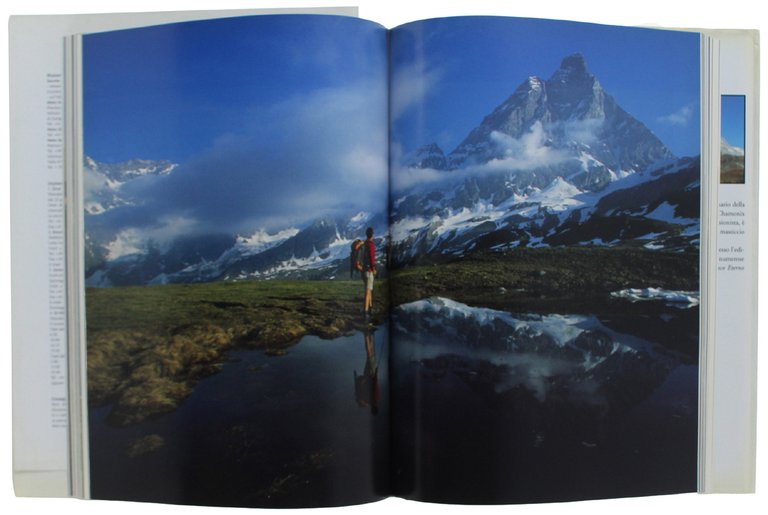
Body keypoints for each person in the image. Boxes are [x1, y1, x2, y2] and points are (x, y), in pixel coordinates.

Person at [362, 227, 376, 321]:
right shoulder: (370, 245)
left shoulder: (364, 244)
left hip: (364, 270)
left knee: (369, 289)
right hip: (369, 271)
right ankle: (366, 311)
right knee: (368, 290)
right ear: (372, 234)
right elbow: (372, 258)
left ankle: (370, 307)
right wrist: (373, 268)